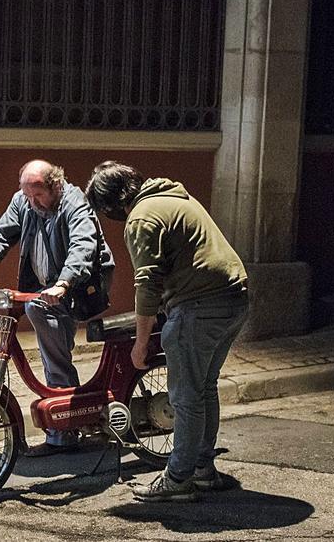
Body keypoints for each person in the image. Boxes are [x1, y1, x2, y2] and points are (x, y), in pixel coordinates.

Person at [85, 161, 248, 503]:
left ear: (112, 204)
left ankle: (177, 478)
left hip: (198, 306)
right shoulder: (177, 198)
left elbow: (147, 283)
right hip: (235, 298)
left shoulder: (142, 217)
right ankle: (202, 471)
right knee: (204, 388)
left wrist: (140, 343)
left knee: (186, 397)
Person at [0, 160, 114, 455]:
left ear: (55, 185)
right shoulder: (24, 201)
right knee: (41, 325)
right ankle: (67, 419)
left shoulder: (75, 203)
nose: (31, 201)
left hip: (76, 289)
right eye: (26, 194)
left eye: (37, 195)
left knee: (49, 342)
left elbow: (83, 246)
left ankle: (65, 428)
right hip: (42, 291)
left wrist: (63, 283)